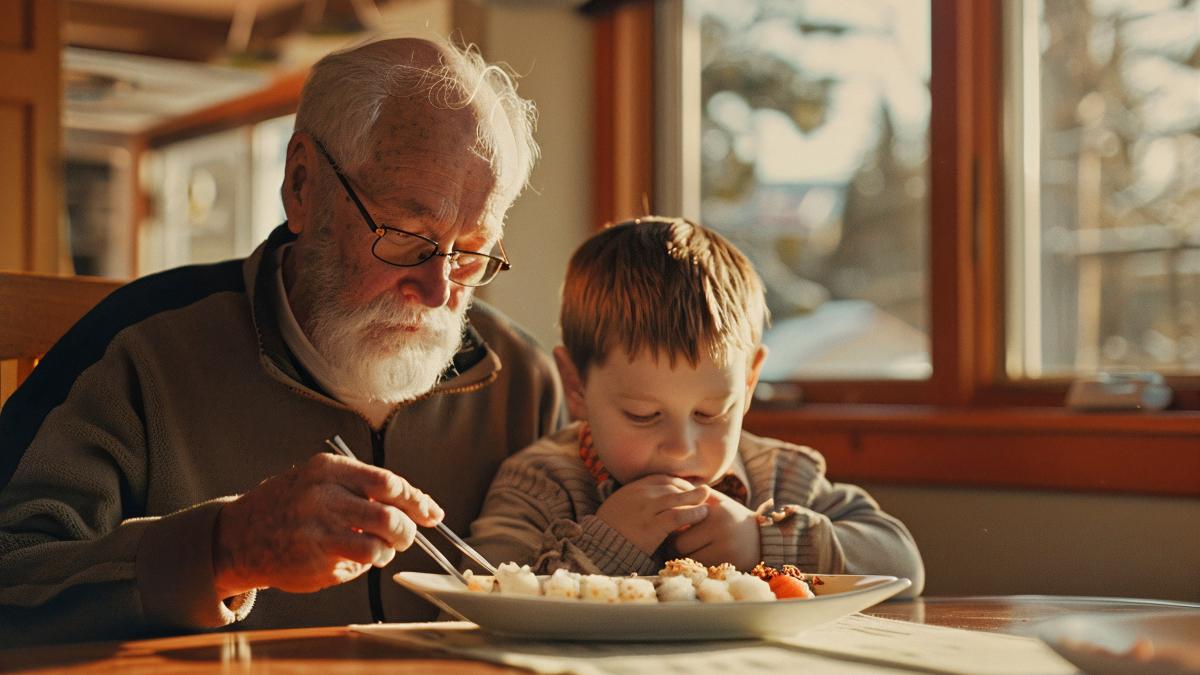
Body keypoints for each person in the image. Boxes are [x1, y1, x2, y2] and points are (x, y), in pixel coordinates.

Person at [0, 37, 562, 646]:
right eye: (406, 235)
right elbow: (12, 579)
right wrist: (223, 550)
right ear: (301, 185)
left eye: (471, 251)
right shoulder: (138, 350)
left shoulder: (522, 382)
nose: (437, 290)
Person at [467, 217, 924, 593]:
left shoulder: (780, 477)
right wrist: (607, 543)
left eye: (710, 413)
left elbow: (903, 566)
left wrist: (762, 540)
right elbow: (482, 593)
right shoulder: (543, 484)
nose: (681, 448)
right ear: (577, 385)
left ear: (747, 383)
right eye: (643, 415)